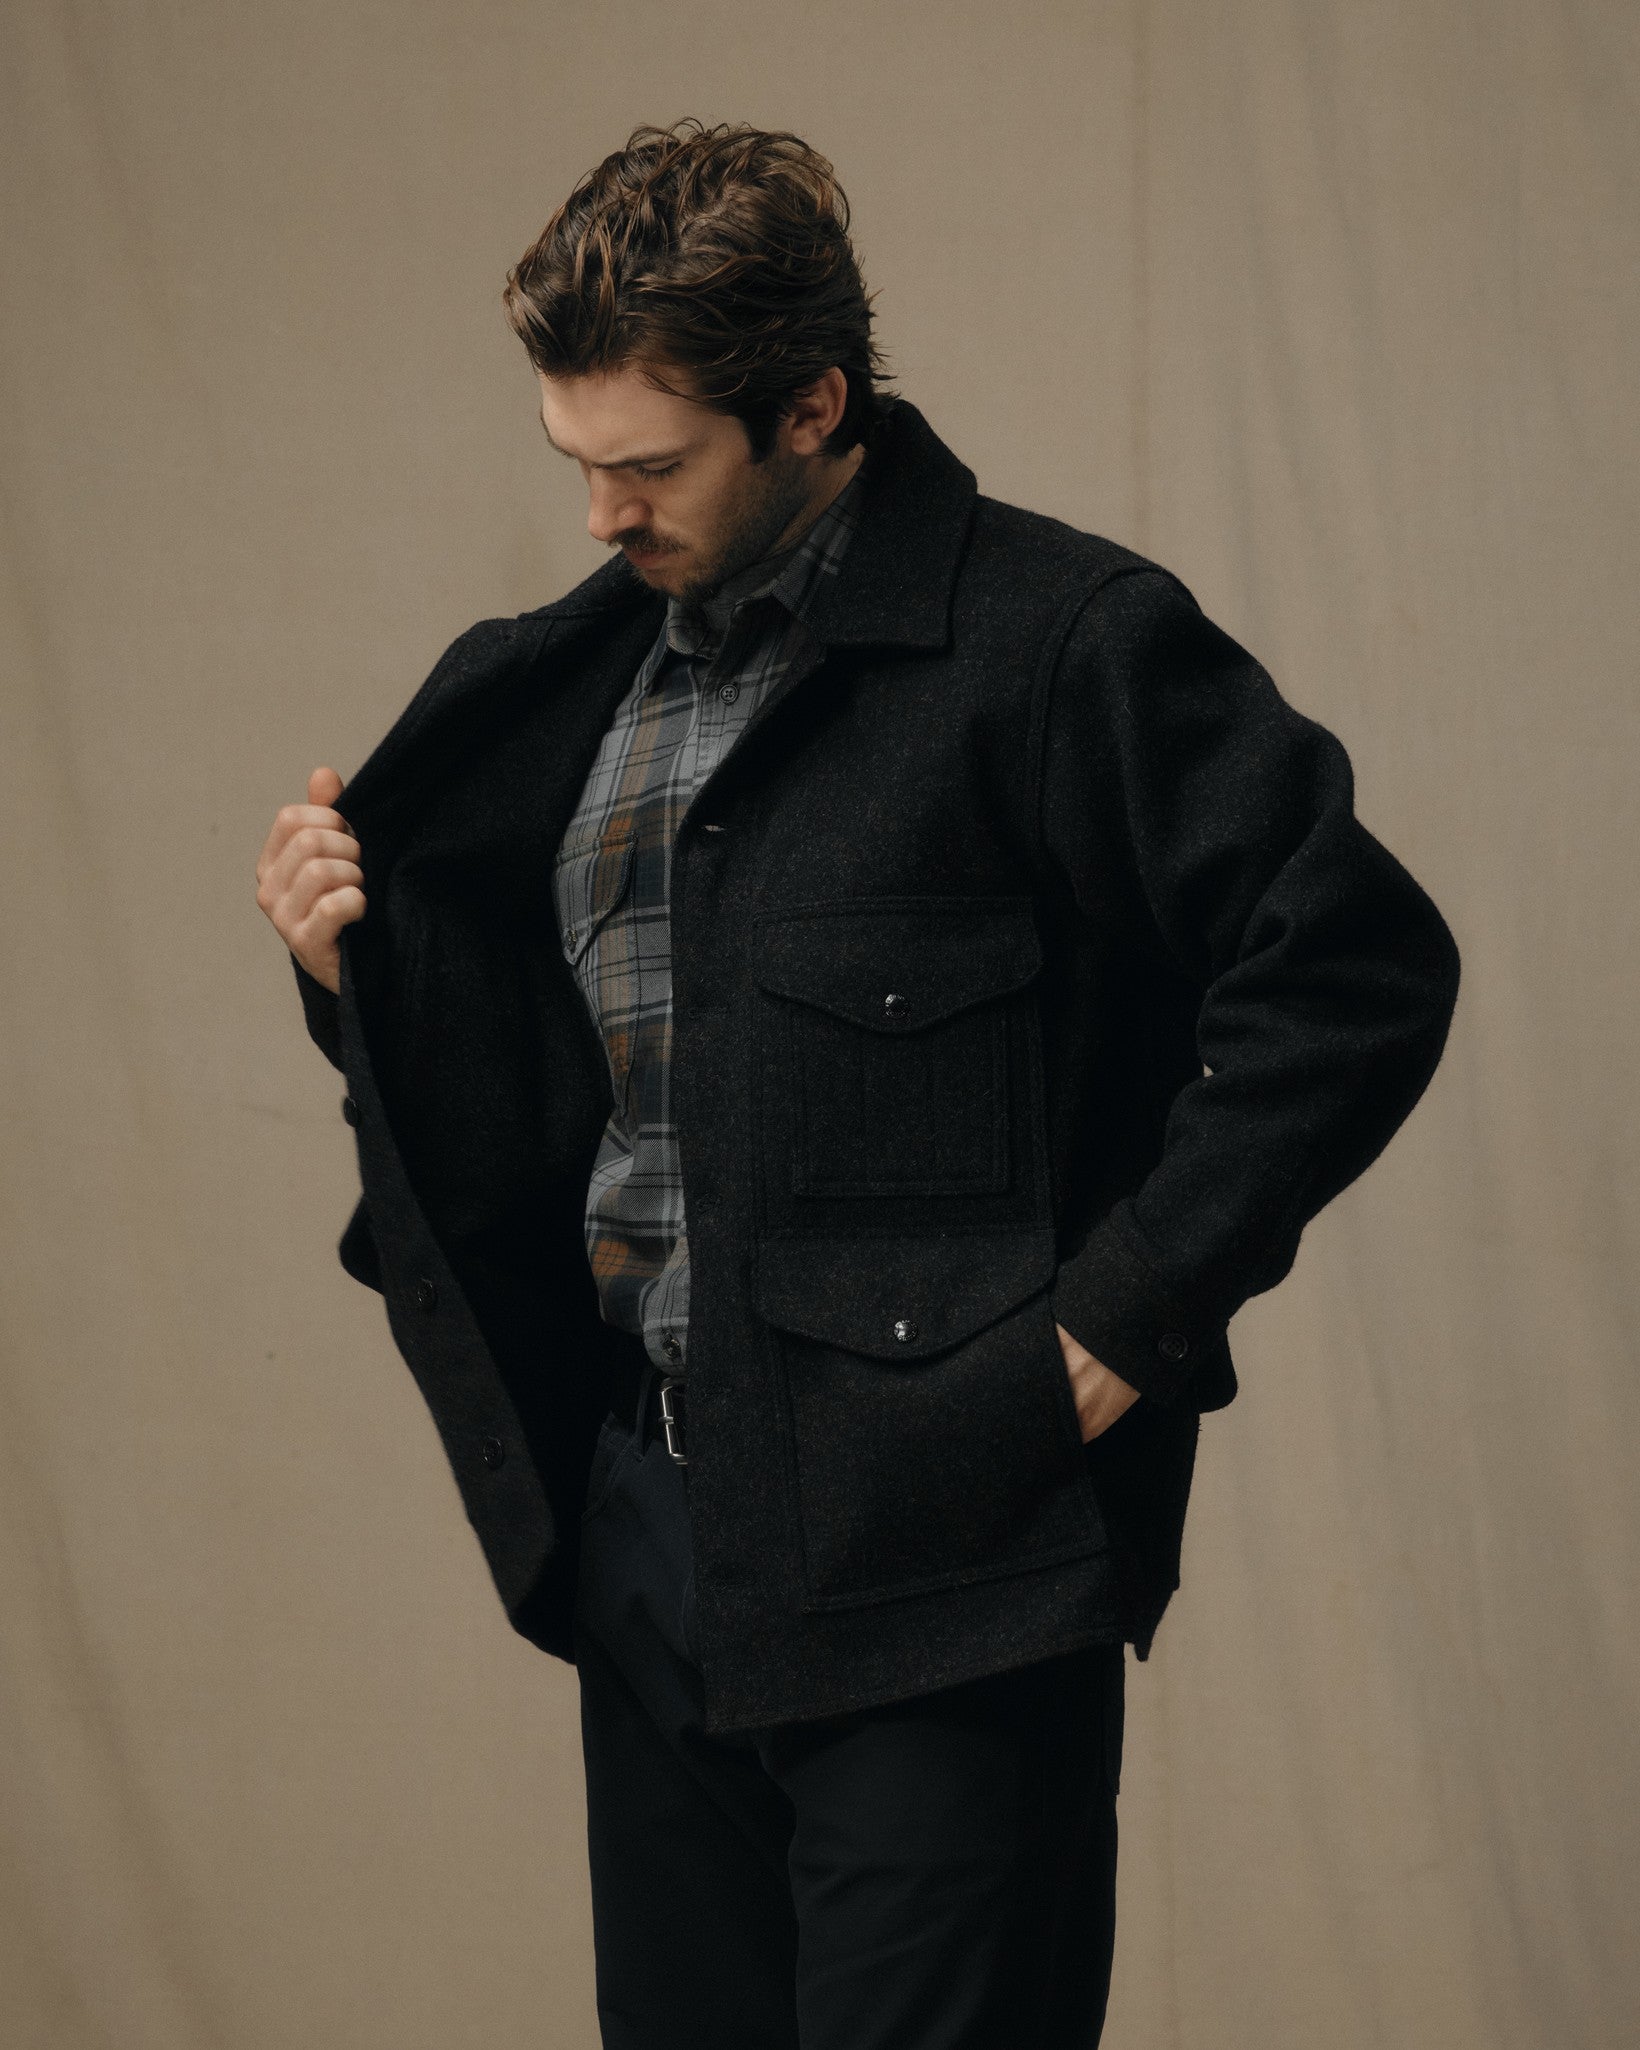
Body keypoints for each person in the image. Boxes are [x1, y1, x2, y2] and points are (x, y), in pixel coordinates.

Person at [254, 118, 1460, 2050]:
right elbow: (563, 1101)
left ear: (813, 406)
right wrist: (351, 977)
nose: (601, 516)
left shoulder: (1059, 644)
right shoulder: (567, 694)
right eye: (576, 462)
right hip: (655, 1538)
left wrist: (1128, 1314)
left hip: (951, 1559)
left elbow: (1359, 965)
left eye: (652, 466)